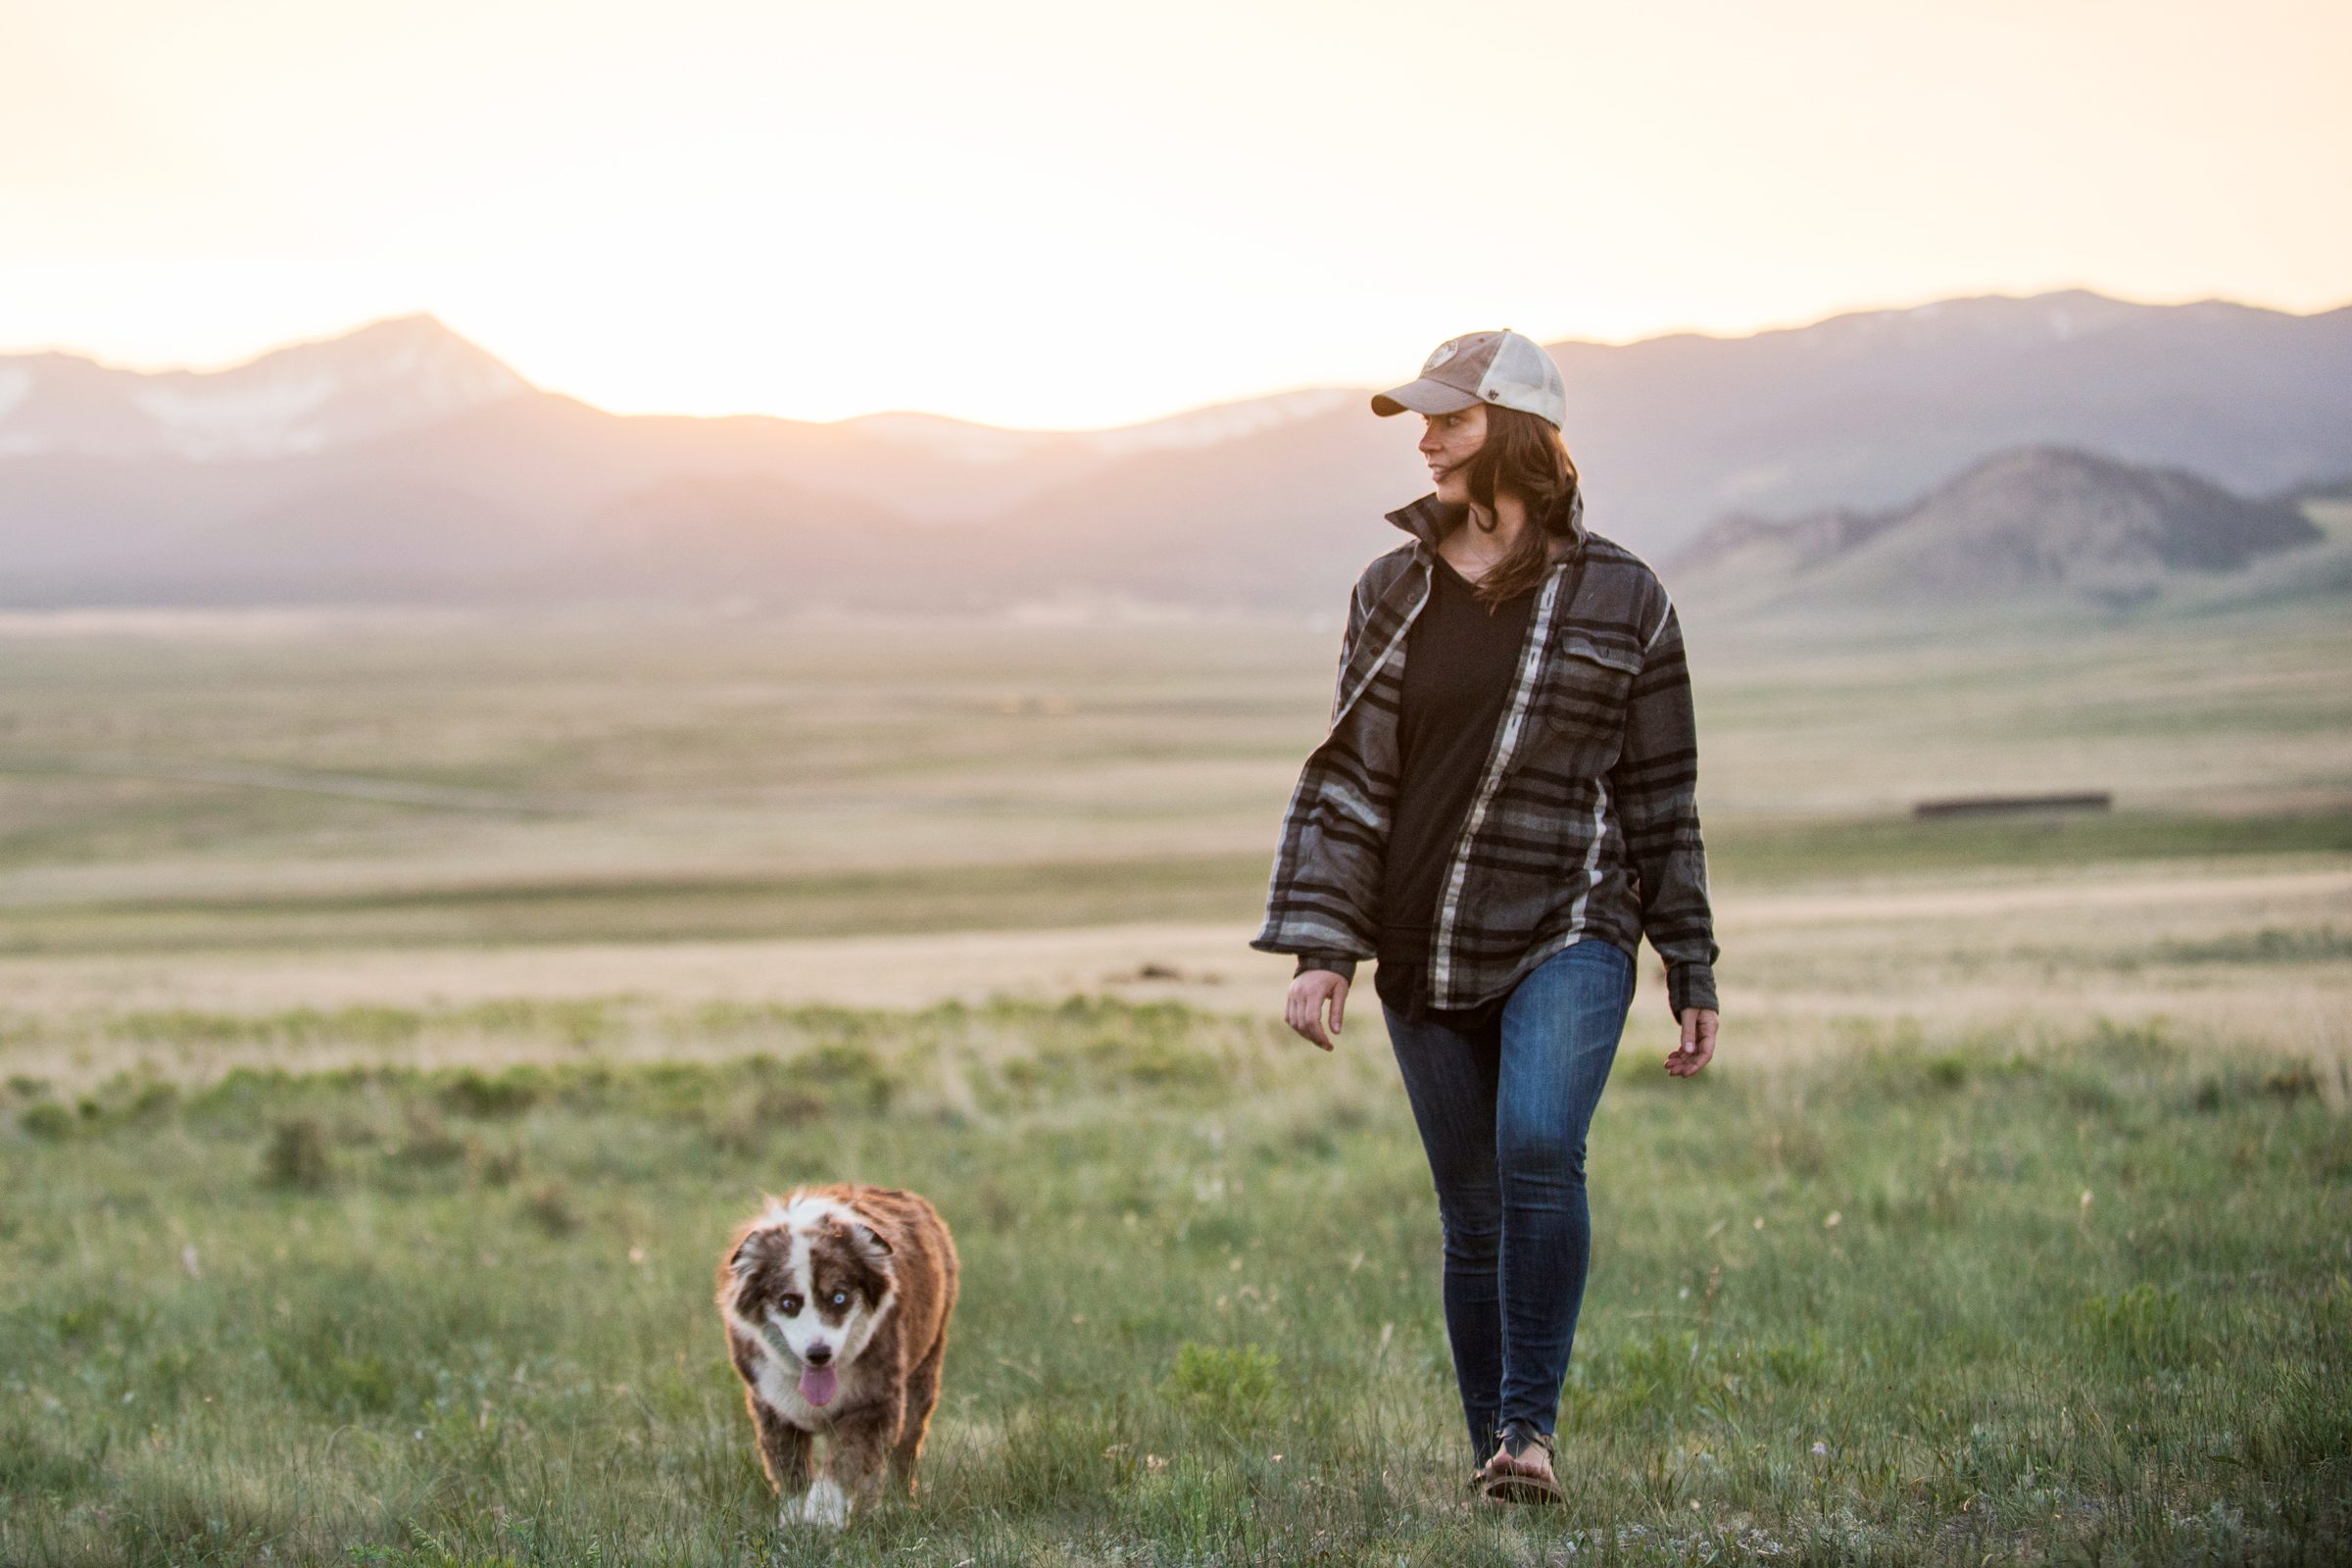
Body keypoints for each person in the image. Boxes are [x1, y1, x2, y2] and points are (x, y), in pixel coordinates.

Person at [1250, 328, 1722, 1504]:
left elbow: (1662, 795)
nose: (1426, 438)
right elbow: (1356, 776)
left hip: (1572, 922)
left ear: (1512, 429)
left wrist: (1692, 963)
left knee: (1537, 1149)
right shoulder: (1392, 588)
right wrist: (1324, 950)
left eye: (1450, 420)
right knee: (1470, 1214)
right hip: (1423, 942)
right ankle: (1498, 1465)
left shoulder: (1625, 597)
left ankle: (1531, 1430)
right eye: (1423, 420)